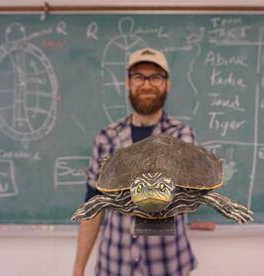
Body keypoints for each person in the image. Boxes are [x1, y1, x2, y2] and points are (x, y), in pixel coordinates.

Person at [73, 47, 197, 276]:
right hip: (114, 264)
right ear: (128, 83)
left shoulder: (182, 137)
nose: (147, 84)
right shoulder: (107, 138)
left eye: (156, 77)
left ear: (167, 84)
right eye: (139, 76)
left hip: (168, 265)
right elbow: (93, 207)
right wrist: (78, 269)